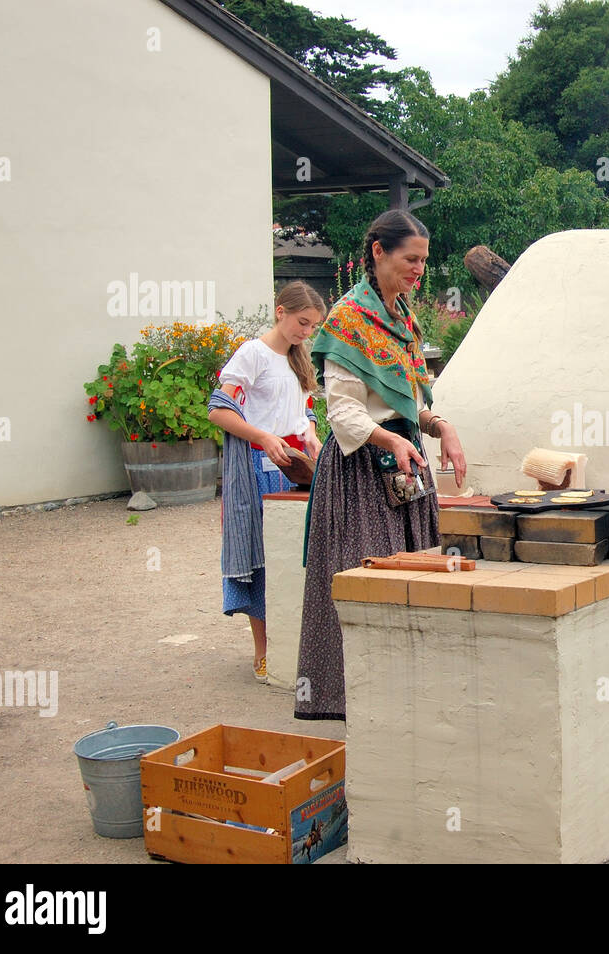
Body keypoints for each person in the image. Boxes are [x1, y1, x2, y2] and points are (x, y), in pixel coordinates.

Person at [294, 209, 467, 721]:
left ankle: (407, 697)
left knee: (416, 578)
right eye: (410, 259)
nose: (418, 270)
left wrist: (442, 429)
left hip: (404, 466)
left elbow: (409, 402)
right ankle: (354, 703)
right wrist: (390, 441)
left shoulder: (403, 320)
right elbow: (343, 410)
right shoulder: (349, 318)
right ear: (378, 252)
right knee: (365, 583)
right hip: (362, 473)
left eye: (423, 261)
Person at [207, 281, 325, 681]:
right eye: (301, 322)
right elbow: (218, 411)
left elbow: (301, 409)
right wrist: (262, 436)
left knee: (293, 558)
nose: (306, 332)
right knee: (263, 560)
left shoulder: (297, 358)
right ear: (280, 311)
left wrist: (309, 430)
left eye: (312, 327)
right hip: (259, 467)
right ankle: (263, 651)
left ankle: (294, 647)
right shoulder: (252, 354)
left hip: (295, 467)